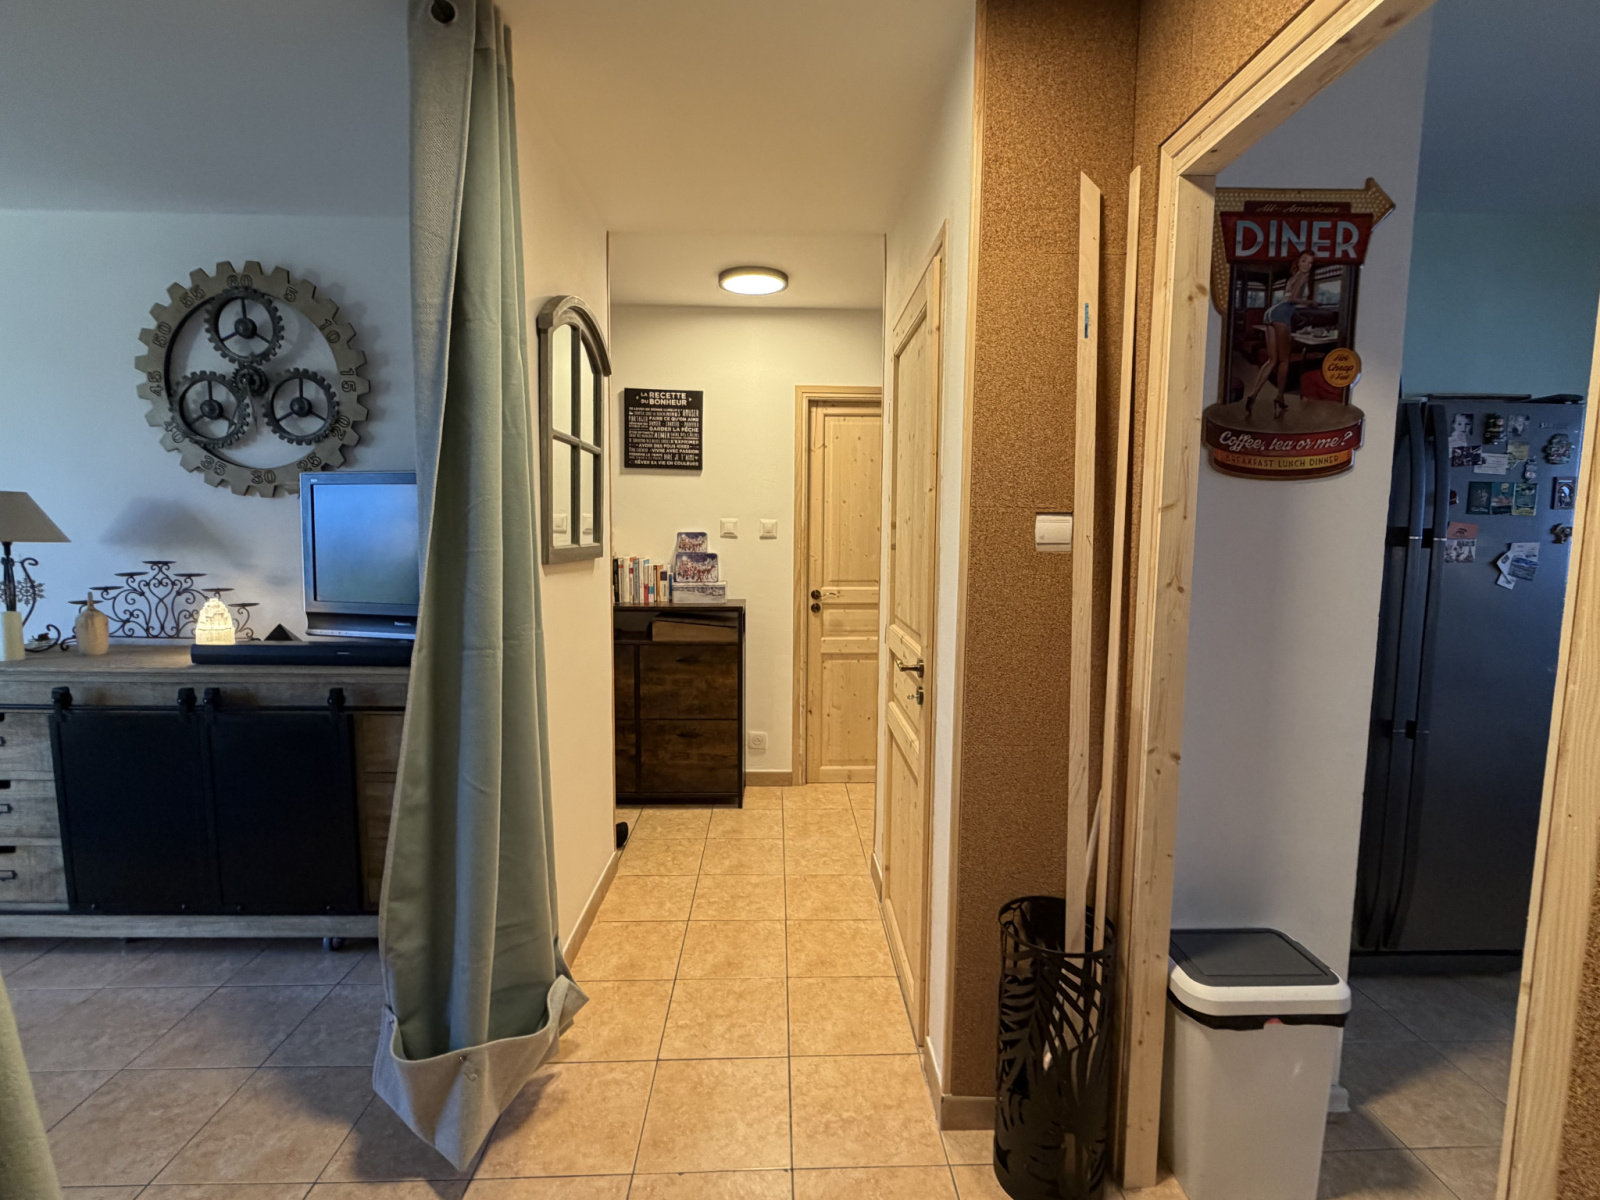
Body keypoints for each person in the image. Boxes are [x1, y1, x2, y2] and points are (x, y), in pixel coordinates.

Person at [1245, 250, 1315, 418]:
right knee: (1284, 361)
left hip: (1271, 313)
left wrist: (1299, 315)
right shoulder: (1302, 276)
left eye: (1310, 262)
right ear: (1298, 262)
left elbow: (1287, 301)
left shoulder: (1293, 277)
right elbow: (1291, 300)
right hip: (1281, 315)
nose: (1307, 265)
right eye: (1304, 260)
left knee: (1272, 360)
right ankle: (1279, 396)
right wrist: (1310, 302)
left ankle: (1253, 395)